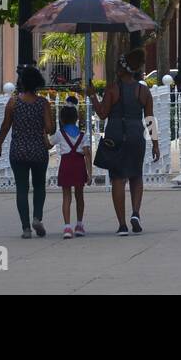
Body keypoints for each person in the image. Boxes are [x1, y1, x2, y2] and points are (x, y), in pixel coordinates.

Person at [90, 47, 159, 236]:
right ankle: (135, 213)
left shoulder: (113, 89)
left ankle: (122, 225)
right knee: (136, 175)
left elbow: (103, 114)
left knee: (118, 179)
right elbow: (150, 119)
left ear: (121, 70)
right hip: (136, 135)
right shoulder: (143, 91)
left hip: (115, 136)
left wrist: (92, 95)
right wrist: (155, 143)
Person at [0, 65, 55, 239]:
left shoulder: (13, 102)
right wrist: (46, 125)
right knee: (39, 186)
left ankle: (26, 228)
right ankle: (37, 217)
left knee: (21, 188)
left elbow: (5, 126)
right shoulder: (43, 103)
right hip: (38, 151)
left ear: (21, 82)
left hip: (18, 151)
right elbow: (50, 129)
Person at [54, 97, 92, 239]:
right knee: (79, 195)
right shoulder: (83, 135)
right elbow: (87, 154)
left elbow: (49, 144)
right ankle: (80, 225)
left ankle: (67, 227)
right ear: (76, 118)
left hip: (66, 164)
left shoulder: (60, 134)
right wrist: (90, 173)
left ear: (62, 119)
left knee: (66, 196)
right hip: (78, 164)